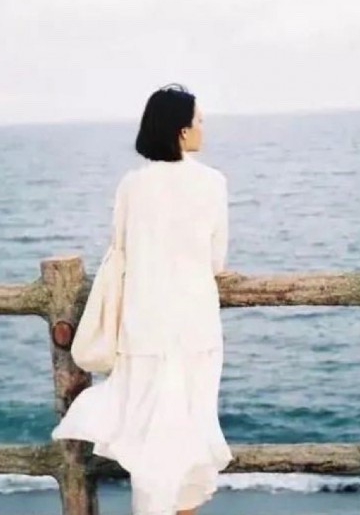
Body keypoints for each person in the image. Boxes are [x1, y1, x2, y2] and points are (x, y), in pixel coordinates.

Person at [51, 83, 234, 515]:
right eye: (198, 121)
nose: (203, 128)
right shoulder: (211, 183)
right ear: (181, 130)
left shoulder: (132, 186)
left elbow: (120, 251)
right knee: (190, 433)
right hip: (194, 325)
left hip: (144, 325)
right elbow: (216, 262)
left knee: (152, 441)